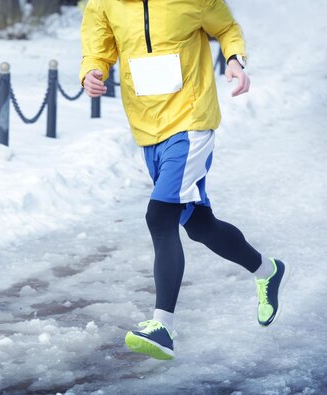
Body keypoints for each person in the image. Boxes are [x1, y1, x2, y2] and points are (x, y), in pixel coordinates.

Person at [80, 0, 288, 360]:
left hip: (191, 120)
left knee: (159, 216)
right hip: (147, 127)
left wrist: (235, 60)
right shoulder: (103, 3)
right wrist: (91, 72)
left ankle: (163, 328)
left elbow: (225, 28)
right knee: (199, 225)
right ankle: (267, 271)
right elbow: (98, 49)